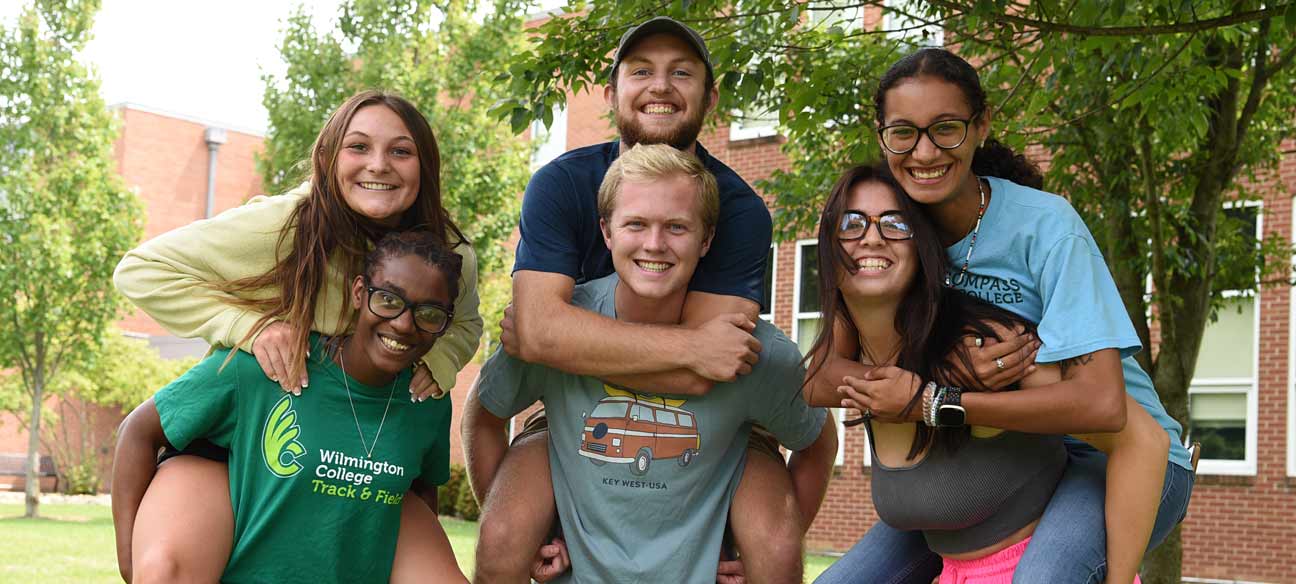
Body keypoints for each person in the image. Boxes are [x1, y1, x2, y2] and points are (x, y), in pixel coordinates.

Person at [810, 49, 1195, 583]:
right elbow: (823, 373)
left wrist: (937, 402)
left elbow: (1105, 406)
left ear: (980, 126)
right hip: (1009, 456)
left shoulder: (1046, 227)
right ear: (882, 136)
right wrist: (938, 382)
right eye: (903, 133)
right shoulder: (899, 228)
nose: (924, 152)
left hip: (1120, 459)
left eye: (945, 128)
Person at [469, 16, 817, 583]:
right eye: (641, 71)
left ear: (710, 95)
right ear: (611, 94)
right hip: (569, 408)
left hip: (719, 420)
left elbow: (705, 374)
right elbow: (680, 354)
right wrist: (544, 339)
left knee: (771, 541)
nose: (660, 86)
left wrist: (558, 337)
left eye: (682, 72)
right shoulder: (561, 185)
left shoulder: (739, 210)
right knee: (507, 529)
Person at [111, 90, 477, 583]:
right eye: (359, 147)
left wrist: (442, 359)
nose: (379, 165)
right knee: (167, 570)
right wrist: (248, 326)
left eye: (401, 151)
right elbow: (141, 270)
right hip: (241, 432)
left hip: (359, 439)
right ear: (328, 158)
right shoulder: (287, 225)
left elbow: (468, 322)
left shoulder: (448, 256)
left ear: (425, 165)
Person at [113, 231, 464, 584]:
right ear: (359, 292)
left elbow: (420, 495)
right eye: (388, 300)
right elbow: (138, 431)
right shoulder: (270, 364)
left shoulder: (426, 400)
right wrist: (130, 562)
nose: (404, 324)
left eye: (430, 314)